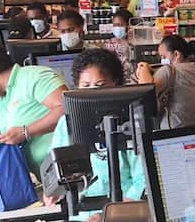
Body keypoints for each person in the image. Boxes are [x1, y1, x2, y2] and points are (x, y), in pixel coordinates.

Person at [50, 49, 146, 204]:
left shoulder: (130, 122)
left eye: (99, 85)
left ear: (116, 83)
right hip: (82, 213)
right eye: (85, 85)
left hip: (126, 209)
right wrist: (55, 192)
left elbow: (143, 178)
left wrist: (112, 216)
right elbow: (57, 174)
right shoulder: (66, 124)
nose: (92, 92)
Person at [0, 43, 66, 178]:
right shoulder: (2, 101)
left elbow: (66, 108)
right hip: (43, 178)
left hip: (65, 171)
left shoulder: (35, 77)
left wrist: (26, 131)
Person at [134, 35, 195, 130]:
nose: (162, 60)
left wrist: (144, 68)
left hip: (171, 132)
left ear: (176, 55)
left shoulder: (169, 70)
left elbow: (146, 90)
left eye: (163, 56)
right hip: (194, 128)